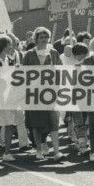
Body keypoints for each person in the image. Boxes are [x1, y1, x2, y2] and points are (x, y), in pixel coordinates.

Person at [22, 27, 63, 161]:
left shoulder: (54, 53)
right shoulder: (29, 54)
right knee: (36, 122)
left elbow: (61, 70)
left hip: (50, 92)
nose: (44, 39)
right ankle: (39, 149)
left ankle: (56, 151)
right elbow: (23, 73)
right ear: (36, 39)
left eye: (46, 36)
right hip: (34, 93)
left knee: (53, 121)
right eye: (41, 37)